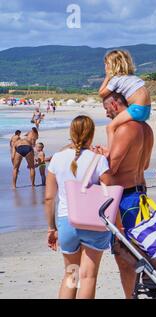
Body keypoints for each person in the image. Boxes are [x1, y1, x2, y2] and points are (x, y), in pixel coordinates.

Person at [45, 115, 112, 299]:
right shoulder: (98, 160)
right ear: (91, 134)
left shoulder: (57, 159)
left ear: (71, 133)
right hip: (93, 222)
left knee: (71, 273)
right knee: (88, 276)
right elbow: (110, 191)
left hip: (67, 222)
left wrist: (52, 228)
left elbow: (49, 198)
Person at [99, 92, 154, 299]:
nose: (107, 114)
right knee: (141, 247)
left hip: (125, 197)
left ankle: (130, 297)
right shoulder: (146, 129)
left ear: (114, 104)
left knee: (124, 255)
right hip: (141, 193)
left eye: (107, 109)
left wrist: (101, 156)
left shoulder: (124, 129)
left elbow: (112, 169)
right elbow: (145, 164)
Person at [98, 50, 152, 150]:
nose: (105, 67)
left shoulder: (116, 80)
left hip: (137, 109)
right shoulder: (133, 77)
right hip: (147, 110)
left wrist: (107, 77)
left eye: (106, 64)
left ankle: (110, 150)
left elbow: (101, 93)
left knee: (110, 127)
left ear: (112, 66)